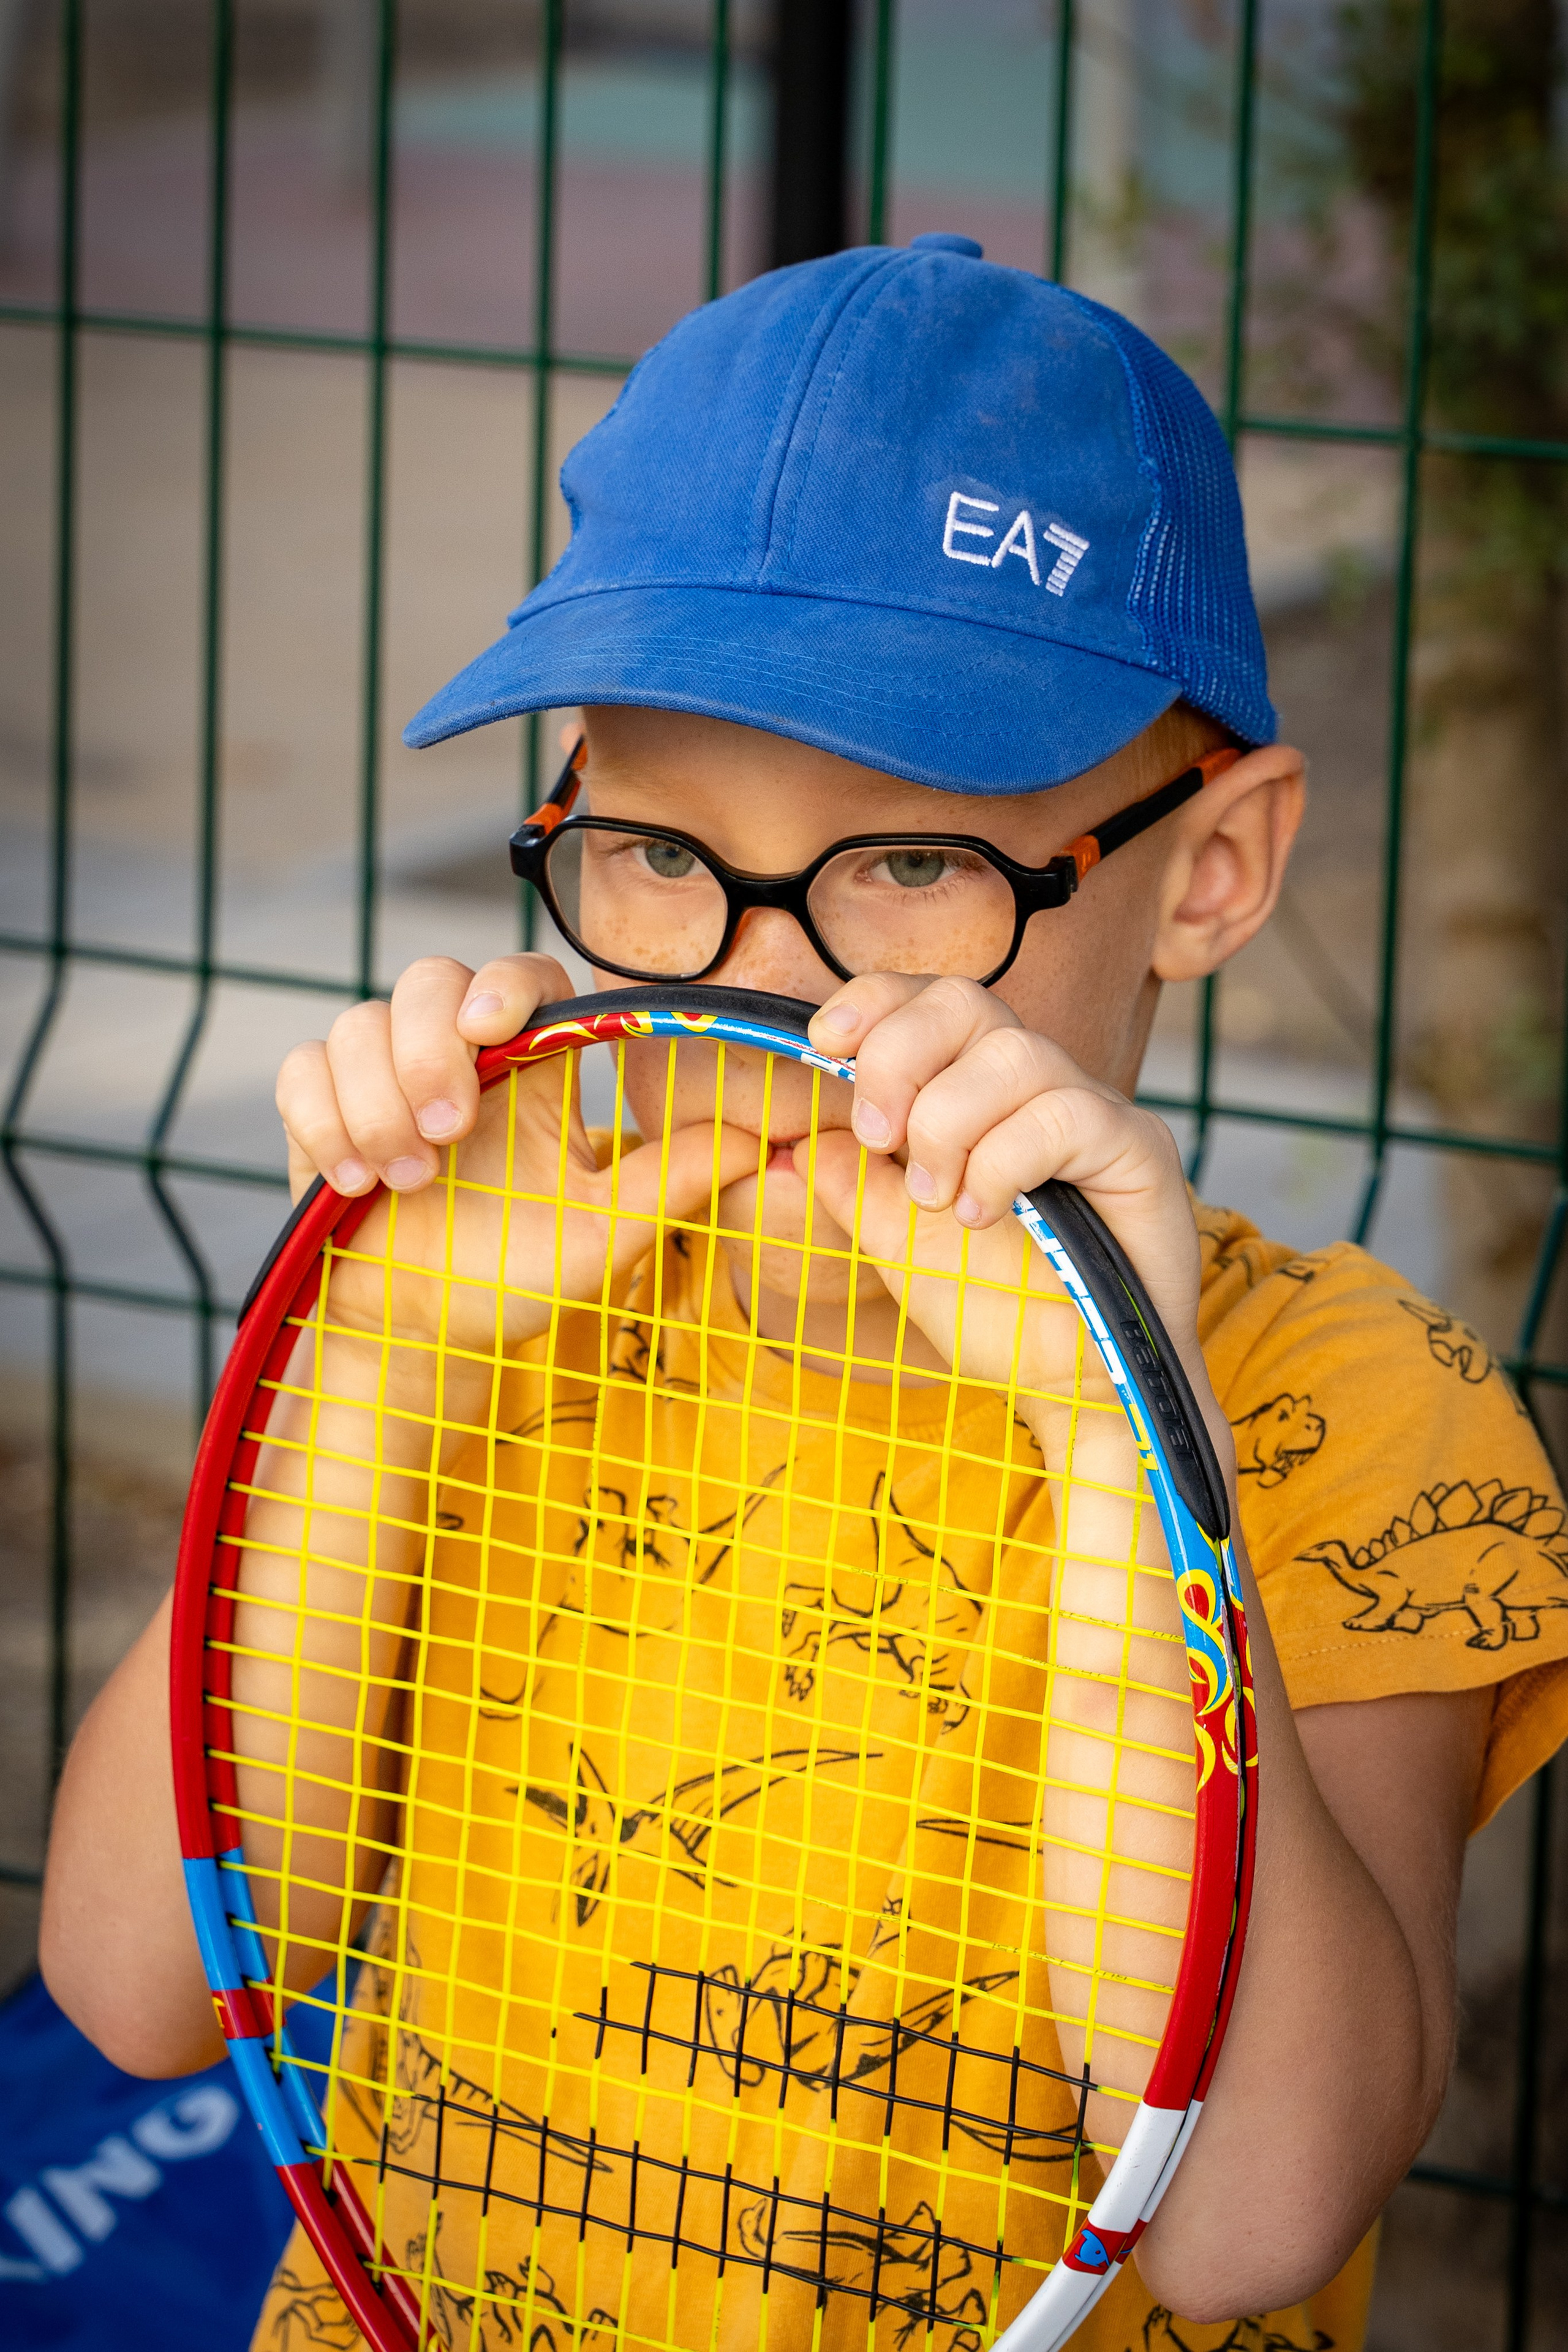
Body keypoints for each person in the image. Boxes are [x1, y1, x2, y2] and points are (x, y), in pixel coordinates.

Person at [41, 236, 1568, 2352]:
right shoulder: (483, 1308)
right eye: (659, 856)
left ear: (1208, 869)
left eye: (915, 866)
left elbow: (1239, 2224)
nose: (763, 981)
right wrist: (364, 1359)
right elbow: (132, 1984)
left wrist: (1131, 1452)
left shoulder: (1353, 1408)